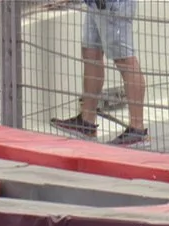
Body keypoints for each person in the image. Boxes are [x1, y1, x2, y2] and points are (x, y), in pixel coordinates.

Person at [51, 0, 149, 146]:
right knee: (91, 51)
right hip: (96, 4)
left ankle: (137, 129)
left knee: (124, 59)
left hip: (113, 6)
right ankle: (87, 121)